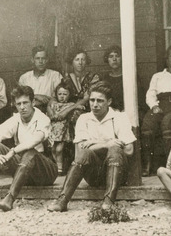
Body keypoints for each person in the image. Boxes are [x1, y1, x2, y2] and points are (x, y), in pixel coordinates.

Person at [47, 81, 136, 212]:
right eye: (92, 100)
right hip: (94, 175)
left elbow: (129, 150)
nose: (95, 104)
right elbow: (79, 153)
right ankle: (62, 200)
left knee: (115, 150)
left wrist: (94, 144)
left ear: (109, 102)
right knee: (86, 153)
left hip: (117, 174)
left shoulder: (119, 117)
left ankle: (109, 201)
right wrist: (106, 143)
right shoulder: (84, 118)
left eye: (100, 101)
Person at [0, 86, 58, 211]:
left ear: (33, 102)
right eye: (18, 104)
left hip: (45, 172)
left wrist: (13, 151)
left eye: (25, 103)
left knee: (30, 151)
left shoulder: (42, 119)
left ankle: (10, 198)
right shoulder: (16, 119)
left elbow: (34, 141)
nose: (22, 107)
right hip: (24, 170)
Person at [141, 45, 171, 176]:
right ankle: (147, 165)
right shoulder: (158, 76)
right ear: (166, 59)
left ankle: (169, 165)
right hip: (160, 105)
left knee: (168, 124)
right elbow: (150, 93)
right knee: (147, 126)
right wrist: (154, 106)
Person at [47, 82, 85, 175]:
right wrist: (51, 113)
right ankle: (56, 166)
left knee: (59, 149)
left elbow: (77, 107)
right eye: (60, 94)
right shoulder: (53, 104)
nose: (62, 96)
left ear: (69, 95)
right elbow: (50, 114)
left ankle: (59, 169)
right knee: (53, 149)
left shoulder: (70, 104)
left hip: (63, 131)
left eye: (65, 94)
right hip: (53, 130)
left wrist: (78, 106)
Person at [101, 45, 146, 114]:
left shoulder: (130, 76)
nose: (114, 59)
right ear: (107, 59)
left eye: (117, 56)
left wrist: (127, 110)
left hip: (130, 111)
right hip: (110, 112)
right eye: (111, 56)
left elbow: (140, 99)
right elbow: (102, 99)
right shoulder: (105, 78)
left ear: (122, 58)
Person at [18, 45, 63, 112]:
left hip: (49, 111)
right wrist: (36, 96)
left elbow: (60, 96)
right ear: (32, 60)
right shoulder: (25, 77)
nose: (40, 61)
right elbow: (20, 97)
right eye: (37, 58)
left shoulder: (55, 75)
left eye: (43, 58)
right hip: (29, 112)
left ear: (47, 60)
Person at [62, 49, 100, 122]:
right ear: (72, 62)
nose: (80, 63)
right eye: (77, 59)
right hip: (69, 114)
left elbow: (86, 99)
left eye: (83, 60)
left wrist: (66, 111)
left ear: (86, 62)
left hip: (89, 112)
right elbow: (55, 96)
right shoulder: (66, 79)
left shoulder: (93, 77)